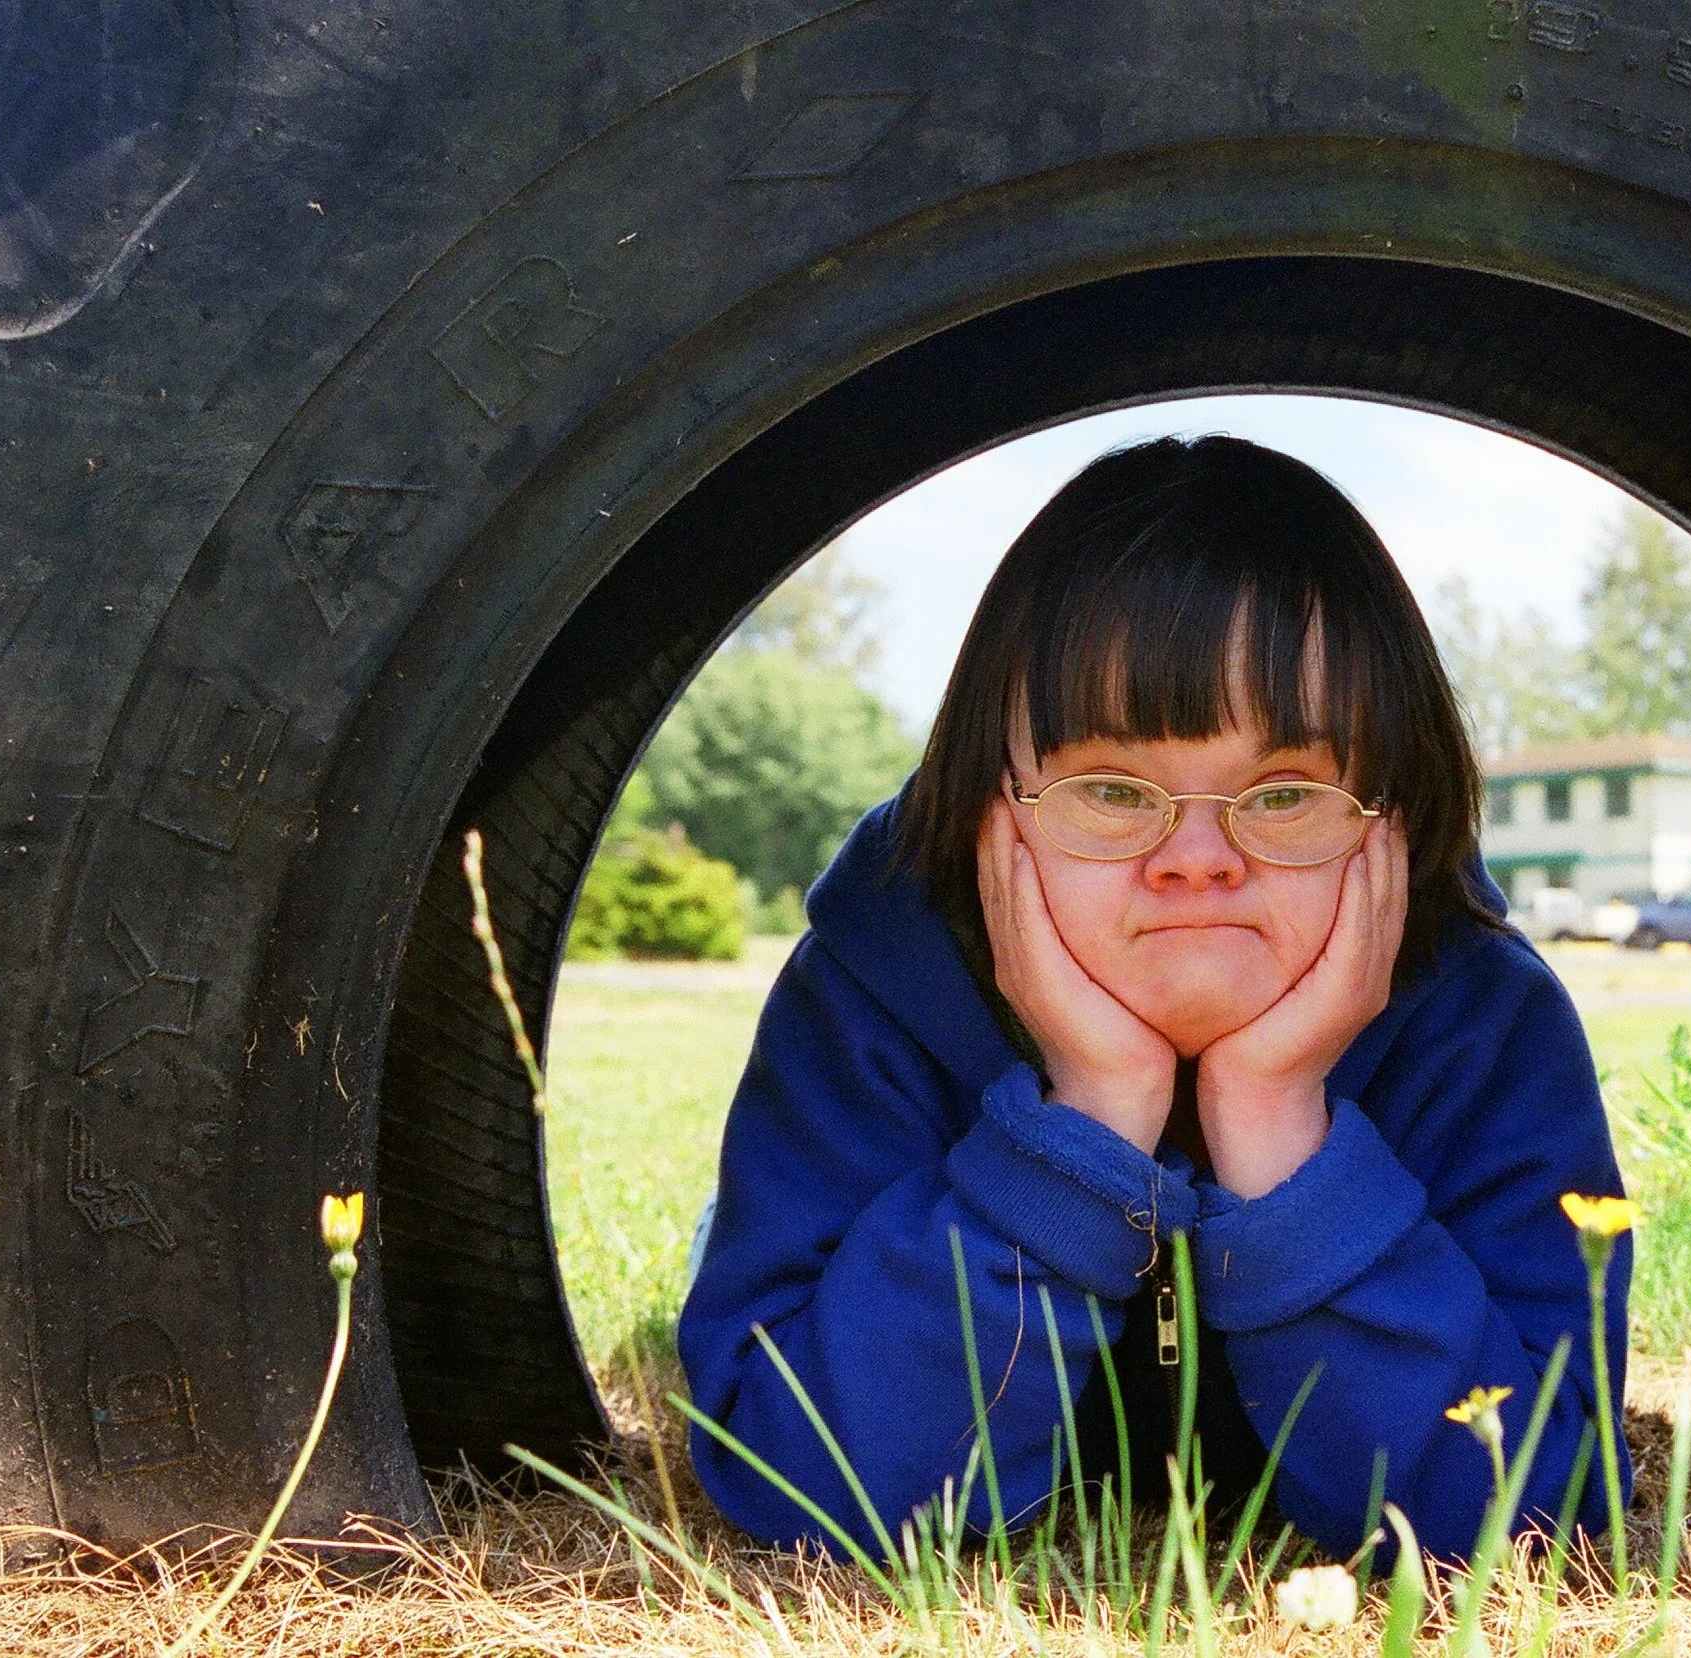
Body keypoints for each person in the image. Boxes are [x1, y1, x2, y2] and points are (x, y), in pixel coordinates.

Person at [679, 434, 1630, 1563]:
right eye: (1112, 788)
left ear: (1394, 813)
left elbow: (1531, 1509)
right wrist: (1085, 1120)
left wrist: (1279, 1123)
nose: (1195, 857)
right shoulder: (873, 995)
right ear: (995, 806)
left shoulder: (1480, 1025)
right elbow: (801, 1480)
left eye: (1283, 793)